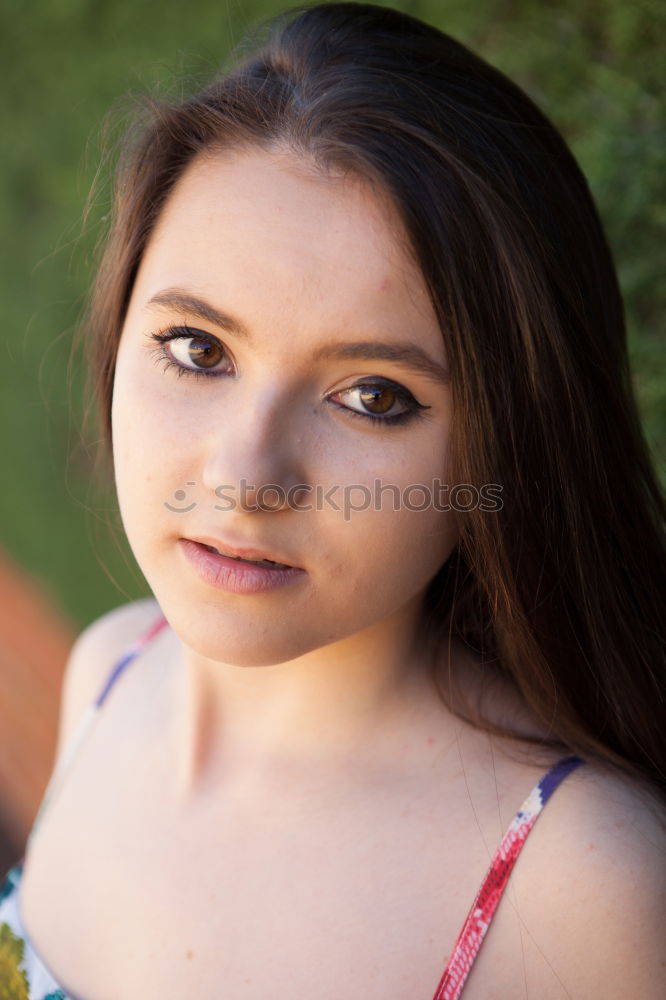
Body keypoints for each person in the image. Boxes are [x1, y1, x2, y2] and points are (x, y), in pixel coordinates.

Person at [1, 3, 664, 997]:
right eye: (198, 348)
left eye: (373, 397)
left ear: (508, 440)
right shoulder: (108, 671)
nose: (246, 476)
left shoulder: (579, 882)